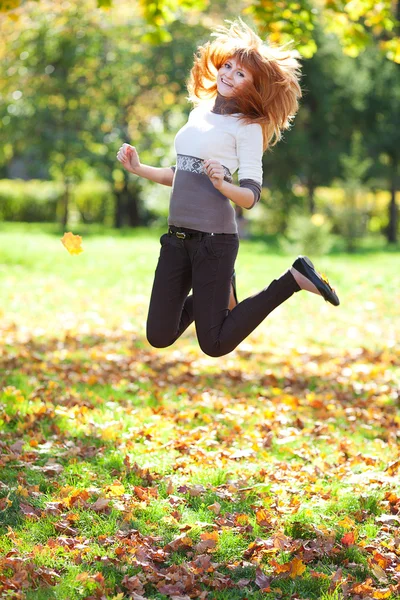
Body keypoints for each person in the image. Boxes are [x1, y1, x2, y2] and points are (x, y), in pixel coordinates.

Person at [117, 17, 340, 358]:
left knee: (215, 343)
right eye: (228, 66)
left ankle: (292, 279)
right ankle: (221, 291)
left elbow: (251, 196)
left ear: (253, 85)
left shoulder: (248, 128)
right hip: (176, 239)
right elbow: (184, 174)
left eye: (240, 73)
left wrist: (223, 183)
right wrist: (139, 168)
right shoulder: (200, 113)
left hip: (214, 243)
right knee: (160, 335)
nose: (228, 74)